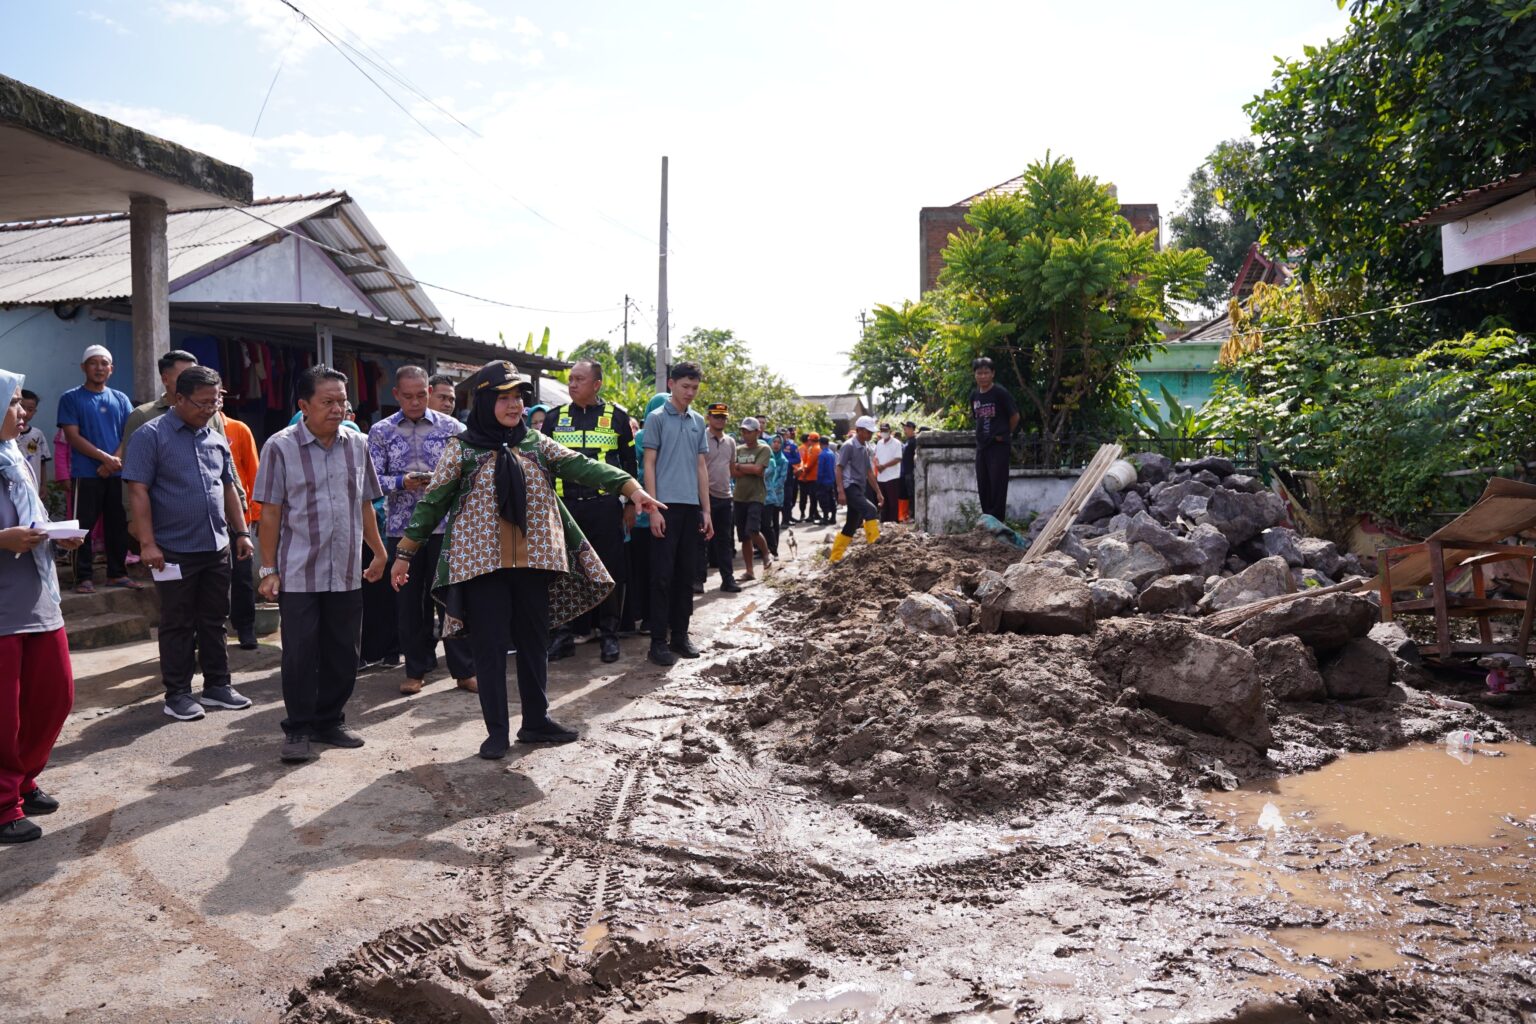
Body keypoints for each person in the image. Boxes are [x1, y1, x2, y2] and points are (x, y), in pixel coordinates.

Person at [389, 361, 664, 759]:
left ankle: (536, 722)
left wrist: (632, 489)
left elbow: (584, 466)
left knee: (534, 644)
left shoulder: (536, 443)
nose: (514, 405)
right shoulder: (462, 449)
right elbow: (432, 503)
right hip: (482, 569)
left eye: (518, 397)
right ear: (485, 401)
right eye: (504, 397)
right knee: (490, 648)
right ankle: (496, 732)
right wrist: (404, 555)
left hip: (536, 564)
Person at [254, 365, 387, 765]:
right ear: (303, 405)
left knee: (344, 651)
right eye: (327, 402)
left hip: (346, 569)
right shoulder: (280, 446)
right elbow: (271, 513)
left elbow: (364, 503)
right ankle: (297, 728)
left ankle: (330, 721)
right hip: (299, 571)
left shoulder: (357, 443)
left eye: (342, 402)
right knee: (299, 652)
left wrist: (378, 552)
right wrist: (267, 569)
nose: (337, 409)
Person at [123, 366, 254, 722]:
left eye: (216, 401)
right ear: (178, 398)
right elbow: (138, 490)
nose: (210, 408)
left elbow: (228, 485)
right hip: (172, 550)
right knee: (177, 622)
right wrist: (147, 543)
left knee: (214, 619)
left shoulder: (214, 436)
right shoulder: (151, 436)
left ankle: (217, 685)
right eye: (202, 402)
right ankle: (178, 693)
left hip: (216, 546)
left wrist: (241, 533)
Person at [0, 369, 84, 844]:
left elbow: (34, 517)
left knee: (54, 696)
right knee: (3, 713)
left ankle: (23, 778)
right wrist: (3, 539)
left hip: (36, 595)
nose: (22, 411)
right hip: (2, 609)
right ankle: (2, 803)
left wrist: (57, 536)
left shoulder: (15, 457)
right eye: (12, 403)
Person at [367, 366, 476, 695]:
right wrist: (403, 481)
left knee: (452, 600)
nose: (415, 402)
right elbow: (371, 481)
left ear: (429, 392)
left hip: (446, 527)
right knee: (409, 603)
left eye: (421, 395)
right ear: (396, 395)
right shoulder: (381, 431)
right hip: (402, 529)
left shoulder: (454, 428)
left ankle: (463, 670)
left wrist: (441, 482)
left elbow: (471, 474)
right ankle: (415, 669)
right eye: (408, 396)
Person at [544, 359, 638, 664]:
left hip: (604, 508)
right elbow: (542, 466)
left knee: (609, 570)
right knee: (563, 571)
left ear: (596, 384)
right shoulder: (554, 419)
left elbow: (629, 467)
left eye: (579, 380)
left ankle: (609, 635)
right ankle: (564, 635)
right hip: (563, 509)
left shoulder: (617, 419)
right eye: (570, 379)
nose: (572, 385)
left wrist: (631, 505)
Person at [641, 362, 713, 667]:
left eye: (695, 388)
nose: (690, 393)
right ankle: (657, 641)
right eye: (685, 386)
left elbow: (701, 467)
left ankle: (680, 636)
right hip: (664, 507)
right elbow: (649, 464)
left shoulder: (698, 421)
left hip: (690, 507)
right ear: (671, 384)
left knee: (687, 575)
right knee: (661, 576)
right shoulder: (656, 418)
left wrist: (706, 509)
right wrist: (653, 507)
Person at [56, 344, 136, 594]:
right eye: (93, 363)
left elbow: (129, 433)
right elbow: (72, 436)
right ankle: (83, 577)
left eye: (104, 363)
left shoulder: (121, 398)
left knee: (117, 524)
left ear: (111, 369)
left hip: (117, 472)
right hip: (85, 473)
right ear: (83, 367)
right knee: (82, 527)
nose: (99, 368)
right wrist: (104, 459)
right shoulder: (71, 398)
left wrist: (114, 460)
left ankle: (117, 573)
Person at [223, 411, 261, 650]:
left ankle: (245, 627)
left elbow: (254, 471)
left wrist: (256, 513)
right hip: (205, 519)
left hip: (239, 518)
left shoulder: (238, 429)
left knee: (242, 575)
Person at [970, 356, 1019, 522]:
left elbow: (1015, 416)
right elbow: (977, 419)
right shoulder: (974, 396)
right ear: (975, 375)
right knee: (983, 484)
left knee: (997, 485)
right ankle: (988, 521)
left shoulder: (1000, 393)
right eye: (979, 373)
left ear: (993, 374)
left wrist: (1004, 434)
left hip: (998, 446)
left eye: (986, 373)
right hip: (982, 447)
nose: (983, 376)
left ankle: (998, 522)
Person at [832, 416, 884, 562]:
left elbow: (869, 472)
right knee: (871, 510)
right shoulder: (849, 446)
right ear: (859, 430)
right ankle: (874, 549)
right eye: (868, 432)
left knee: (852, 524)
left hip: (859, 487)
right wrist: (841, 491)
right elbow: (839, 468)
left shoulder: (866, 447)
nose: (870, 435)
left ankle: (835, 557)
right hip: (850, 486)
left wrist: (878, 492)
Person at [731, 416, 772, 579]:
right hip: (739, 496)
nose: (745, 434)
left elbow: (758, 470)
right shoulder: (738, 449)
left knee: (752, 529)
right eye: (743, 431)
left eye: (748, 431)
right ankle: (749, 571)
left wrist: (740, 466)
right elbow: (732, 472)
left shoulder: (764, 449)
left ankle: (766, 553)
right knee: (744, 536)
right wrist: (748, 468)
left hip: (756, 495)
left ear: (757, 432)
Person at [16, 390, 49, 493]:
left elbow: (42, 462)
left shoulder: (37, 434)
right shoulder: (7, 434)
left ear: (34, 411)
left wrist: (44, 485)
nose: (24, 412)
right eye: (21, 407)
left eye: (30, 409)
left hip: (33, 486)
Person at [873, 422, 904, 524]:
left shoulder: (896, 443)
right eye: (882, 430)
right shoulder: (879, 443)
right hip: (881, 477)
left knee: (892, 503)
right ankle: (884, 523)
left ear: (890, 431)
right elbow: (876, 457)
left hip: (892, 477)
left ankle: (893, 523)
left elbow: (898, 458)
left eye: (885, 430)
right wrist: (878, 465)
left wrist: (884, 466)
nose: (883, 432)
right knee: (883, 503)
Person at [763, 433, 788, 558]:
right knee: (765, 523)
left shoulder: (783, 460)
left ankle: (774, 548)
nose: (776, 444)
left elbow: (781, 479)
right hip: (765, 495)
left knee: (774, 522)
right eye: (774, 442)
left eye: (779, 442)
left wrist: (771, 489)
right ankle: (763, 547)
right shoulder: (765, 458)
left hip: (776, 495)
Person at [796, 432, 822, 523]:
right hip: (809, 477)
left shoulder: (809, 449)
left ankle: (808, 514)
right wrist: (804, 473)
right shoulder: (813, 449)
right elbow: (808, 463)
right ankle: (812, 515)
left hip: (806, 476)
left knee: (806, 497)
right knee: (812, 498)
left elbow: (804, 463)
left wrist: (801, 473)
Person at [778, 427, 800, 525]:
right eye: (781, 434)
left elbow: (797, 459)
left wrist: (785, 462)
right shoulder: (774, 444)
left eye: (784, 434)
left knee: (787, 498)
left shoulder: (792, 446)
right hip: (776, 476)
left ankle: (785, 520)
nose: (783, 437)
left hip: (788, 476)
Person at [815, 439, 838, 524]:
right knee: (832, 499)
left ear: (820, 444)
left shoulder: (822, 454)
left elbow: (820, 470)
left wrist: (818, 481)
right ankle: (833, 517)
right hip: (831, 480)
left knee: (823, 500)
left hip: (823, 481)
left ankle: (825, 518)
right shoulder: (832, 453)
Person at [900, 420, 918, 522]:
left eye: (906, 428)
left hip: (911, 472)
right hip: (906, 472)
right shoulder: (908, 441)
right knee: (909, 494)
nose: (904, 431)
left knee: (912, 494)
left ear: (911, 429)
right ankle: (911, 515)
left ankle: (913, 516)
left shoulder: (914, 441)